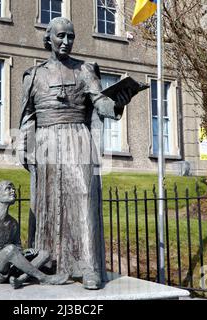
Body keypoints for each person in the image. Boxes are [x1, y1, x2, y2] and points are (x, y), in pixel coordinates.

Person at [18, 17, 136, 290]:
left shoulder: (85, 70)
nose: (66, 42)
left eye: (71, 37)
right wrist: (24, 147)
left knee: (83, 194)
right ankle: (46, 263)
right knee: (47, 202)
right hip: (47, 140)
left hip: (77, 137)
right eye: (61, 36)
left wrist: (118, 101)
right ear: (49, 38)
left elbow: (100, 103)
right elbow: (27, 116)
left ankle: (89, 267)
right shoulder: (33, 75)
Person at [0, 180, 69, 289]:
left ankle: (21, 279)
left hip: (10, 269)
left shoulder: (13, 223)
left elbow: (17, 247)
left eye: (13, 188)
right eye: (8, 188)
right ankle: (44, 278)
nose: (13, 191)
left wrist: (25, 252)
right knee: (10, 249)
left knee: (44, 254)